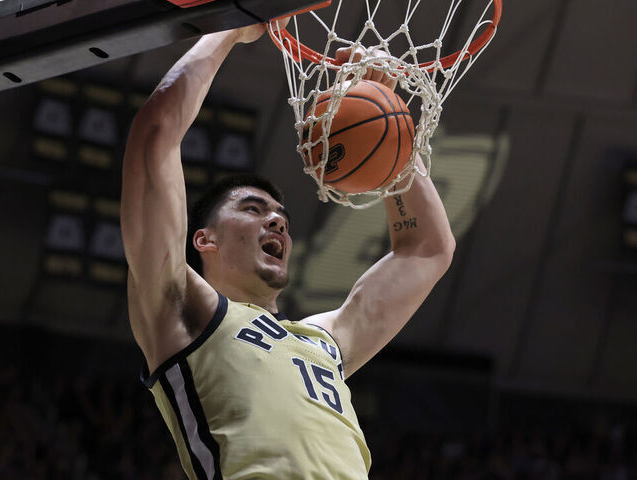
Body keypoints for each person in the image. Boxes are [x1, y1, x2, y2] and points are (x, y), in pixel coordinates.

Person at [120, 18, 455, 480]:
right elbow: (156, 134)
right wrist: (231, 26)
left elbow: (426, 250)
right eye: (253, 209)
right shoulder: (181, 308)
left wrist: (394, 142)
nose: (276, 219)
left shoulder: (324, 342)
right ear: (205, 240)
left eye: (280, 216)